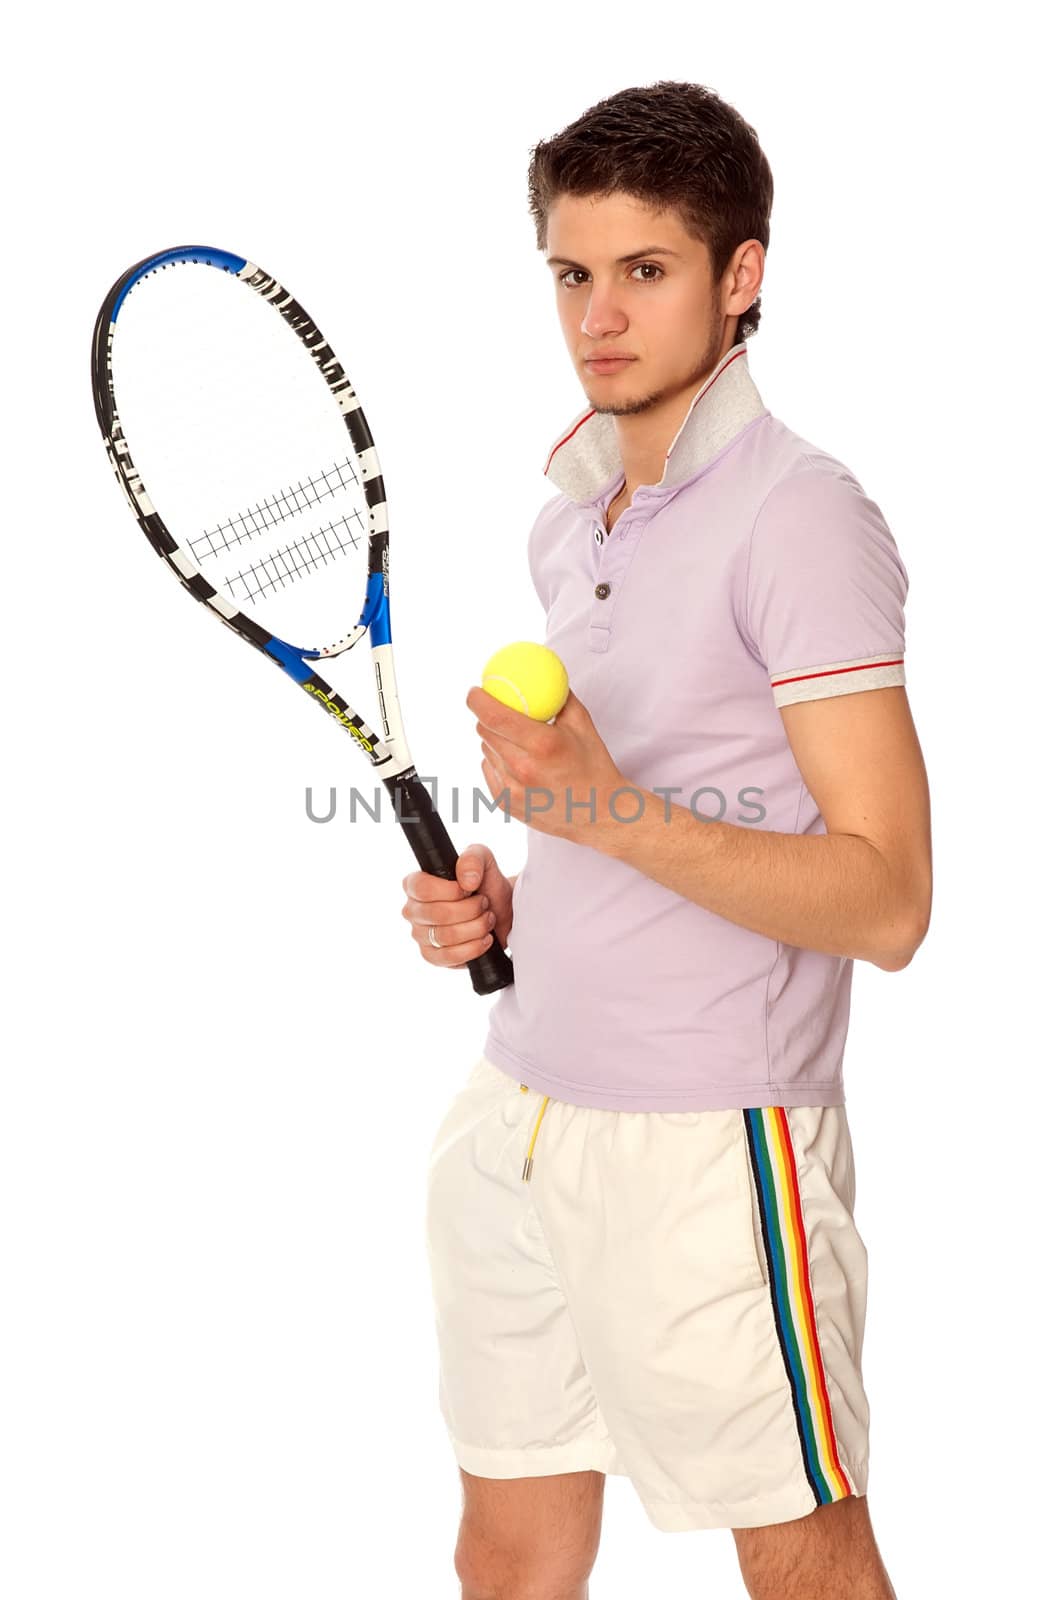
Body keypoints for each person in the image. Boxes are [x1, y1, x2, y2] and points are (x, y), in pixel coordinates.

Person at [401, 79, 931, 1600]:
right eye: (574, 274)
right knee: (506, 1547)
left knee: (801, 1555)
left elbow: (889, 899)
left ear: (739, 277)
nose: (599, 317)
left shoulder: (801, 518)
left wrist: (603, 813)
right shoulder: (572, 521)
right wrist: (515, 900)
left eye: (647, 271)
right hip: (517, 1114)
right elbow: (623, 821)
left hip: (709, 1142)